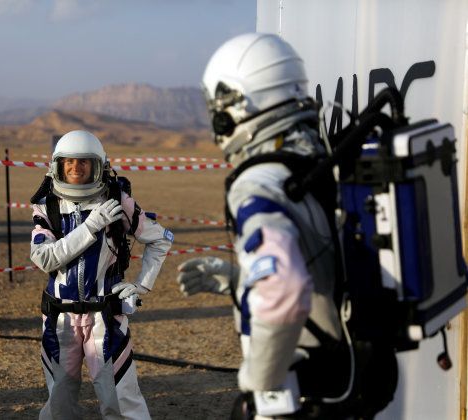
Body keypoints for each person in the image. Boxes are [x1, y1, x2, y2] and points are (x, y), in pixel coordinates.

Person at [177, 33, 396, 419]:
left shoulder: (258, 183)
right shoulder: (316, 157)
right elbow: (318, 261)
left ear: (237, 103)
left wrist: (258, 380)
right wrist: (237, 279)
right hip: (345, 374)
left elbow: (285, 287)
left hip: (303, 388)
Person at [30, 130, 173, 420]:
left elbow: (160, 239)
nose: (75, 168)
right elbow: (44, 258)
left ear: (100, 167)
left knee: (120, 399)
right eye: (68, 162)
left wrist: (142, 286)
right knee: (60, 400)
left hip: (106, 317)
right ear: (56, 166)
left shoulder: (118, 201)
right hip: (60, 316)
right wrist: (91, 226)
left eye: (84, 162)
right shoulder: (48, 206)